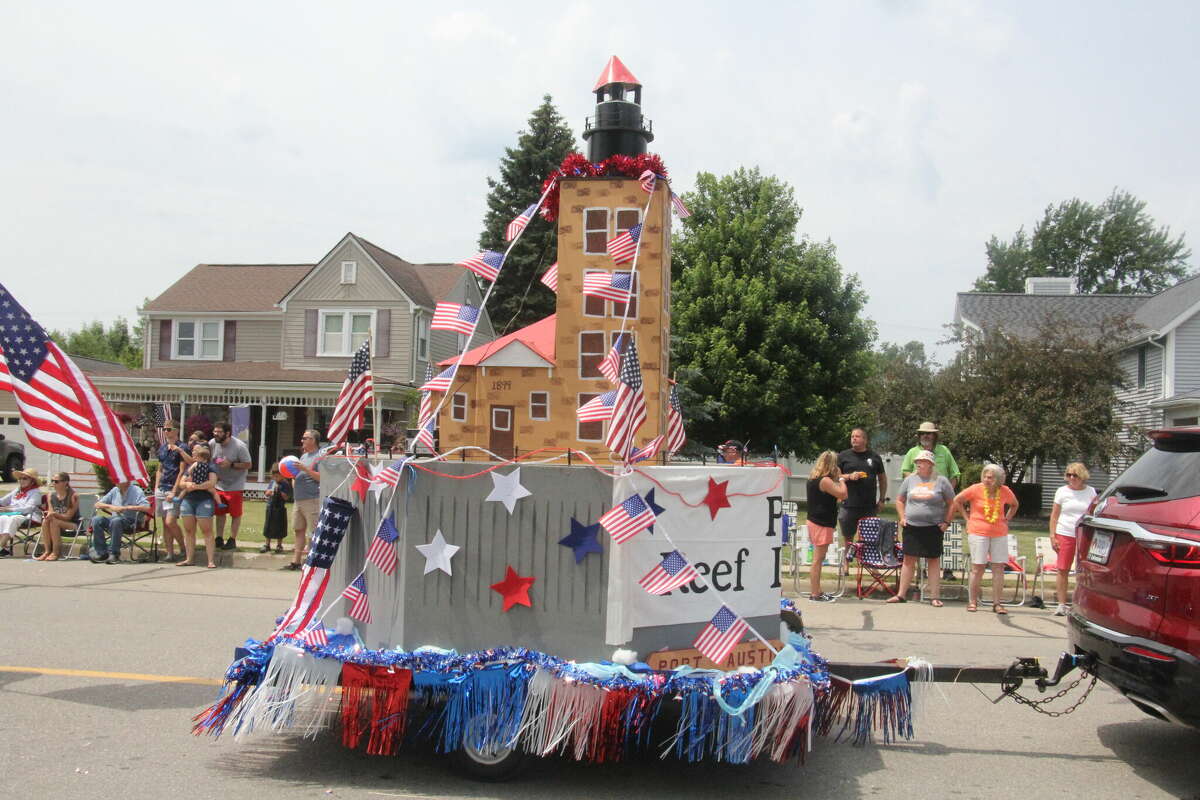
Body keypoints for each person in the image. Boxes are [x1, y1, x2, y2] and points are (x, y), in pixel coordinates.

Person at [891, 450, 955, 607]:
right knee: (908, 560)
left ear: (930, 464)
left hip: (933, 527)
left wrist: (946, 522)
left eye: (922, 461)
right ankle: (901, 595)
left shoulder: (941, 481)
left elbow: (952, 502)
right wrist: (902, 517)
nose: (918, 464)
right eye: (917, 462)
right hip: (912, 526)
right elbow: (899, 500)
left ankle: (934, 596)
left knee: (933, 560)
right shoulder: (910, 480)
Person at [953, 463, 1019, 614]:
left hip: (999, 533)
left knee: (998, 567)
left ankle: (997, 603)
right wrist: (967, 518)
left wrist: (1006, 519)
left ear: (998, 479)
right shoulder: (976, 489)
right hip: (978, 532)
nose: (986, 479)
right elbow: (957, 500)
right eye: (985, 476)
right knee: (978, 567)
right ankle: (972, 601)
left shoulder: (1004, 491)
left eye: (990, 477)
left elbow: (1014, 505)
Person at [1048, 462, 1096, 616]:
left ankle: (1080, 603)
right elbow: (1054, 516)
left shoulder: (1090, 492)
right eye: (1068, 475)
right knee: (1063, 569)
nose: (1071, 478)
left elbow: (1094, 513)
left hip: (1084, 534)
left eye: (1074, 475)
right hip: (1064, 533)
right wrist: (1052, 535)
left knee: (1083, 570)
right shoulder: (1061, 491)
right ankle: (1061, 604)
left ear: (1082, 476)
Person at [806, 451, 847, 602]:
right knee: (818, 559)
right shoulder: (825, 481)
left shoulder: (813, 479)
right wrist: (842, 478)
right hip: (821, 523)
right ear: (831, 465)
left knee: (818, 558)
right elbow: (843, 494)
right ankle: (815, 593)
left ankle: (817, 590)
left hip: (815, 520)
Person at [836, 428, 888, 544]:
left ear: (865, 440)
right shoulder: (843, 456)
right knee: (848, 538)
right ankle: (847, 561)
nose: (854, 438)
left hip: (869, 505)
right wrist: (849, 476)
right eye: (852, 436)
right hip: (848, 504)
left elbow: (883, 479)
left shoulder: (874, 457)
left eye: (857, 436)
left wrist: (882, 499)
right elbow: (836, 476)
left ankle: (865, 561)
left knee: (868, 538)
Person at [209, 421, 252, 551]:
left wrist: (231, 464)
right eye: (215, 431)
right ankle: (219, 538)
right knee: (220, 513)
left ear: (227, 433)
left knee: (235, 514)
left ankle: (232, 539)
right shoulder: (212, 443)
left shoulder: (239, 446)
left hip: (235, 485)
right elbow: (211, 459)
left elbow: (248, 464)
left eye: (219, 432)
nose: (216, 434)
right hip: (219, 484)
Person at [174, 445, 219, 568]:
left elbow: (212, 482)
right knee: (188, 530)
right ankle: (189, 559)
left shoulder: (211, 467)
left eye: (195, 453)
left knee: (207, 530)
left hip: (204, 500)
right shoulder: (191, 467)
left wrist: (197, 486)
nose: (193, 455)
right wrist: (188, 484)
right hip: (189, 500)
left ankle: (210, 560)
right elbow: (181, 483)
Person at [155, 421, 194, 562]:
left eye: (169, 429)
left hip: (173, 488)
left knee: (171, 521)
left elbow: (182, 470)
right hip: (161, 488)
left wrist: (174, 490)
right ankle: (170, 553)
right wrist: (156, 486)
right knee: (164, 523)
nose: (166, 431)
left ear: (176, 431)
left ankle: (183, 547)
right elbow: (160, 468)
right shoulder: (163, 448)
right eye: (164, 429)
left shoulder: (182, 447)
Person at [89, 477, 150, 565]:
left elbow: (146, 507)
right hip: (115, 519)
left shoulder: (136, 490)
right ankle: (102, 553)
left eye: (118, 478)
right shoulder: (115, 490)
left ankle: (114, 554)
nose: (115, 480)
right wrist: (111, 507)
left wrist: (126, 508)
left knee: (116, 521)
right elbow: (97, 504)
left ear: (127, 481)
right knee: (96, 519)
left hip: (132, 521)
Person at [287, 429, 323, 571]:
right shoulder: (303, 456)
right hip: (299, 499)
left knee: (313, 531)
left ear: (313, 440)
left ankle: (311, 561)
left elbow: (321, 477)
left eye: (305, 438)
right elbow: (297, 474)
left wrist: (306, 469)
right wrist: (294, 479)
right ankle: (295, 561)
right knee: (298, 529)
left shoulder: (320, 457)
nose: (302, 440)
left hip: (312, 499)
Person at [899, 422, 961, 489]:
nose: (925, 435)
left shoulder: (944, 450)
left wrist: (949, 492)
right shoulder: (912, 452)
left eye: (928, 433)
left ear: (934, 436)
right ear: (919, 436)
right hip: (918, 494)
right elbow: (905, 472)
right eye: (922, 433)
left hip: (941, 495)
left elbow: (955, 474)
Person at [0, 469, 44, 557]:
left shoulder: (35, 493)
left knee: (13, 519)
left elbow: (29, 508)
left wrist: (10, 509)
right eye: (20, 478)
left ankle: (1, 546)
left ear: (32, 481)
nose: (21, 481)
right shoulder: (17, 490)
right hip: (12, 515)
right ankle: (4, 549)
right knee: (2, 518)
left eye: (25, 479)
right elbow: (3, 501)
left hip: (29, 516)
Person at [36, 472, 79, 561]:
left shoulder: (73, 496)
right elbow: (51, 512)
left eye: (56, 481)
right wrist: (48, 514)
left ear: (65, 482)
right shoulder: (51, 496)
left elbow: (68, 517)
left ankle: (56, 552)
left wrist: (54, 514)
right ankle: (47, 551)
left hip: (73, 524)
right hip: (56, 522)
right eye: (52, 481)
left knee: (54, 522)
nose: (53, 484)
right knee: (46, 521)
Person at [260, 463, 293, 553]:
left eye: (277, 476)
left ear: (282, 475)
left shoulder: (285, 484)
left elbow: (287, 497)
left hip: (280, 508)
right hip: (271, 507)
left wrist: (280, 492)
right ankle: (267, 544)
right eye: (274, 476)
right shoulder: (272, 482)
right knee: (268, 526)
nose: (275, 478)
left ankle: (279, 545)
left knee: (280, 526)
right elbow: (266, 493)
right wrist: (270, 492)